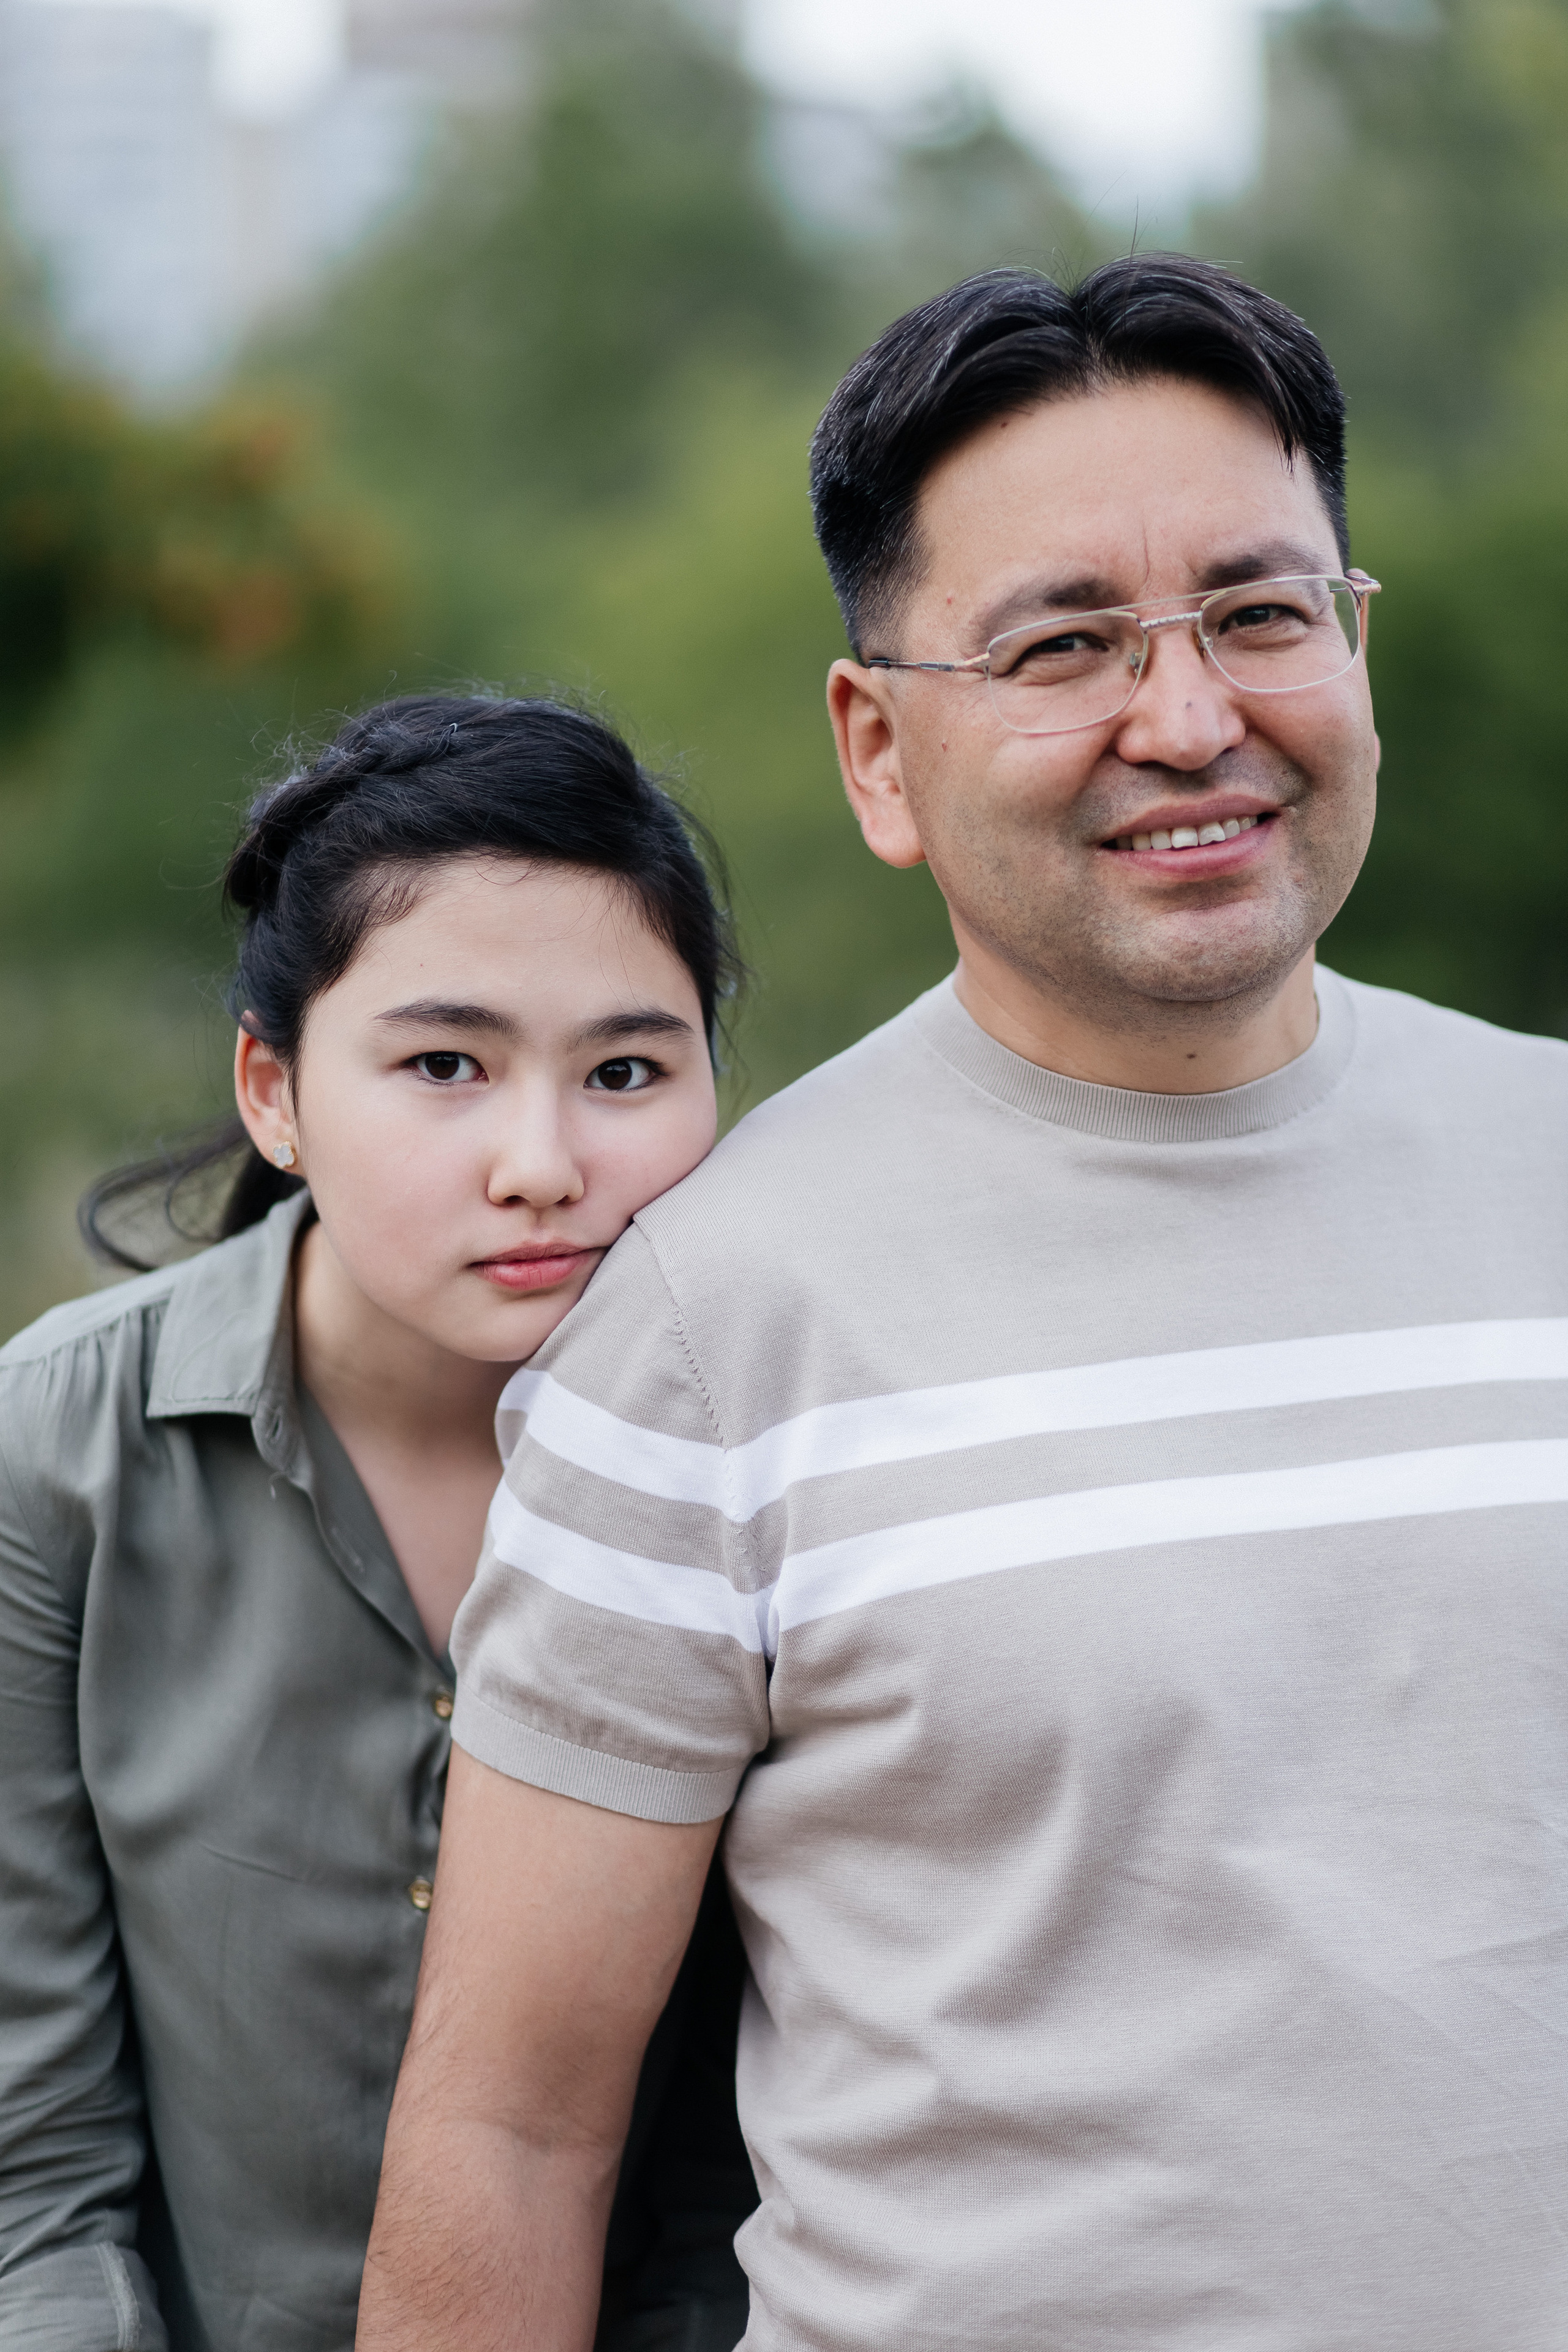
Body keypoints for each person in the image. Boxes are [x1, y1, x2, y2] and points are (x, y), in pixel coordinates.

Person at [359, 258, 1568, 2352]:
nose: (1190, 720)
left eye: (1261, 615)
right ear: (879, 749)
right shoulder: (711, 1320)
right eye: (1063, 645)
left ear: (1356, 649)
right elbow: (512, 2133)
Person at [0, 695, 759, 2351]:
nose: (544, 1162)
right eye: (443, 1066)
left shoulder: (770, 1467)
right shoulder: (51, 1455)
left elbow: (754, 2160)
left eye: (626, 1068)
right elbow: (29, 2162)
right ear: (273, 1089)